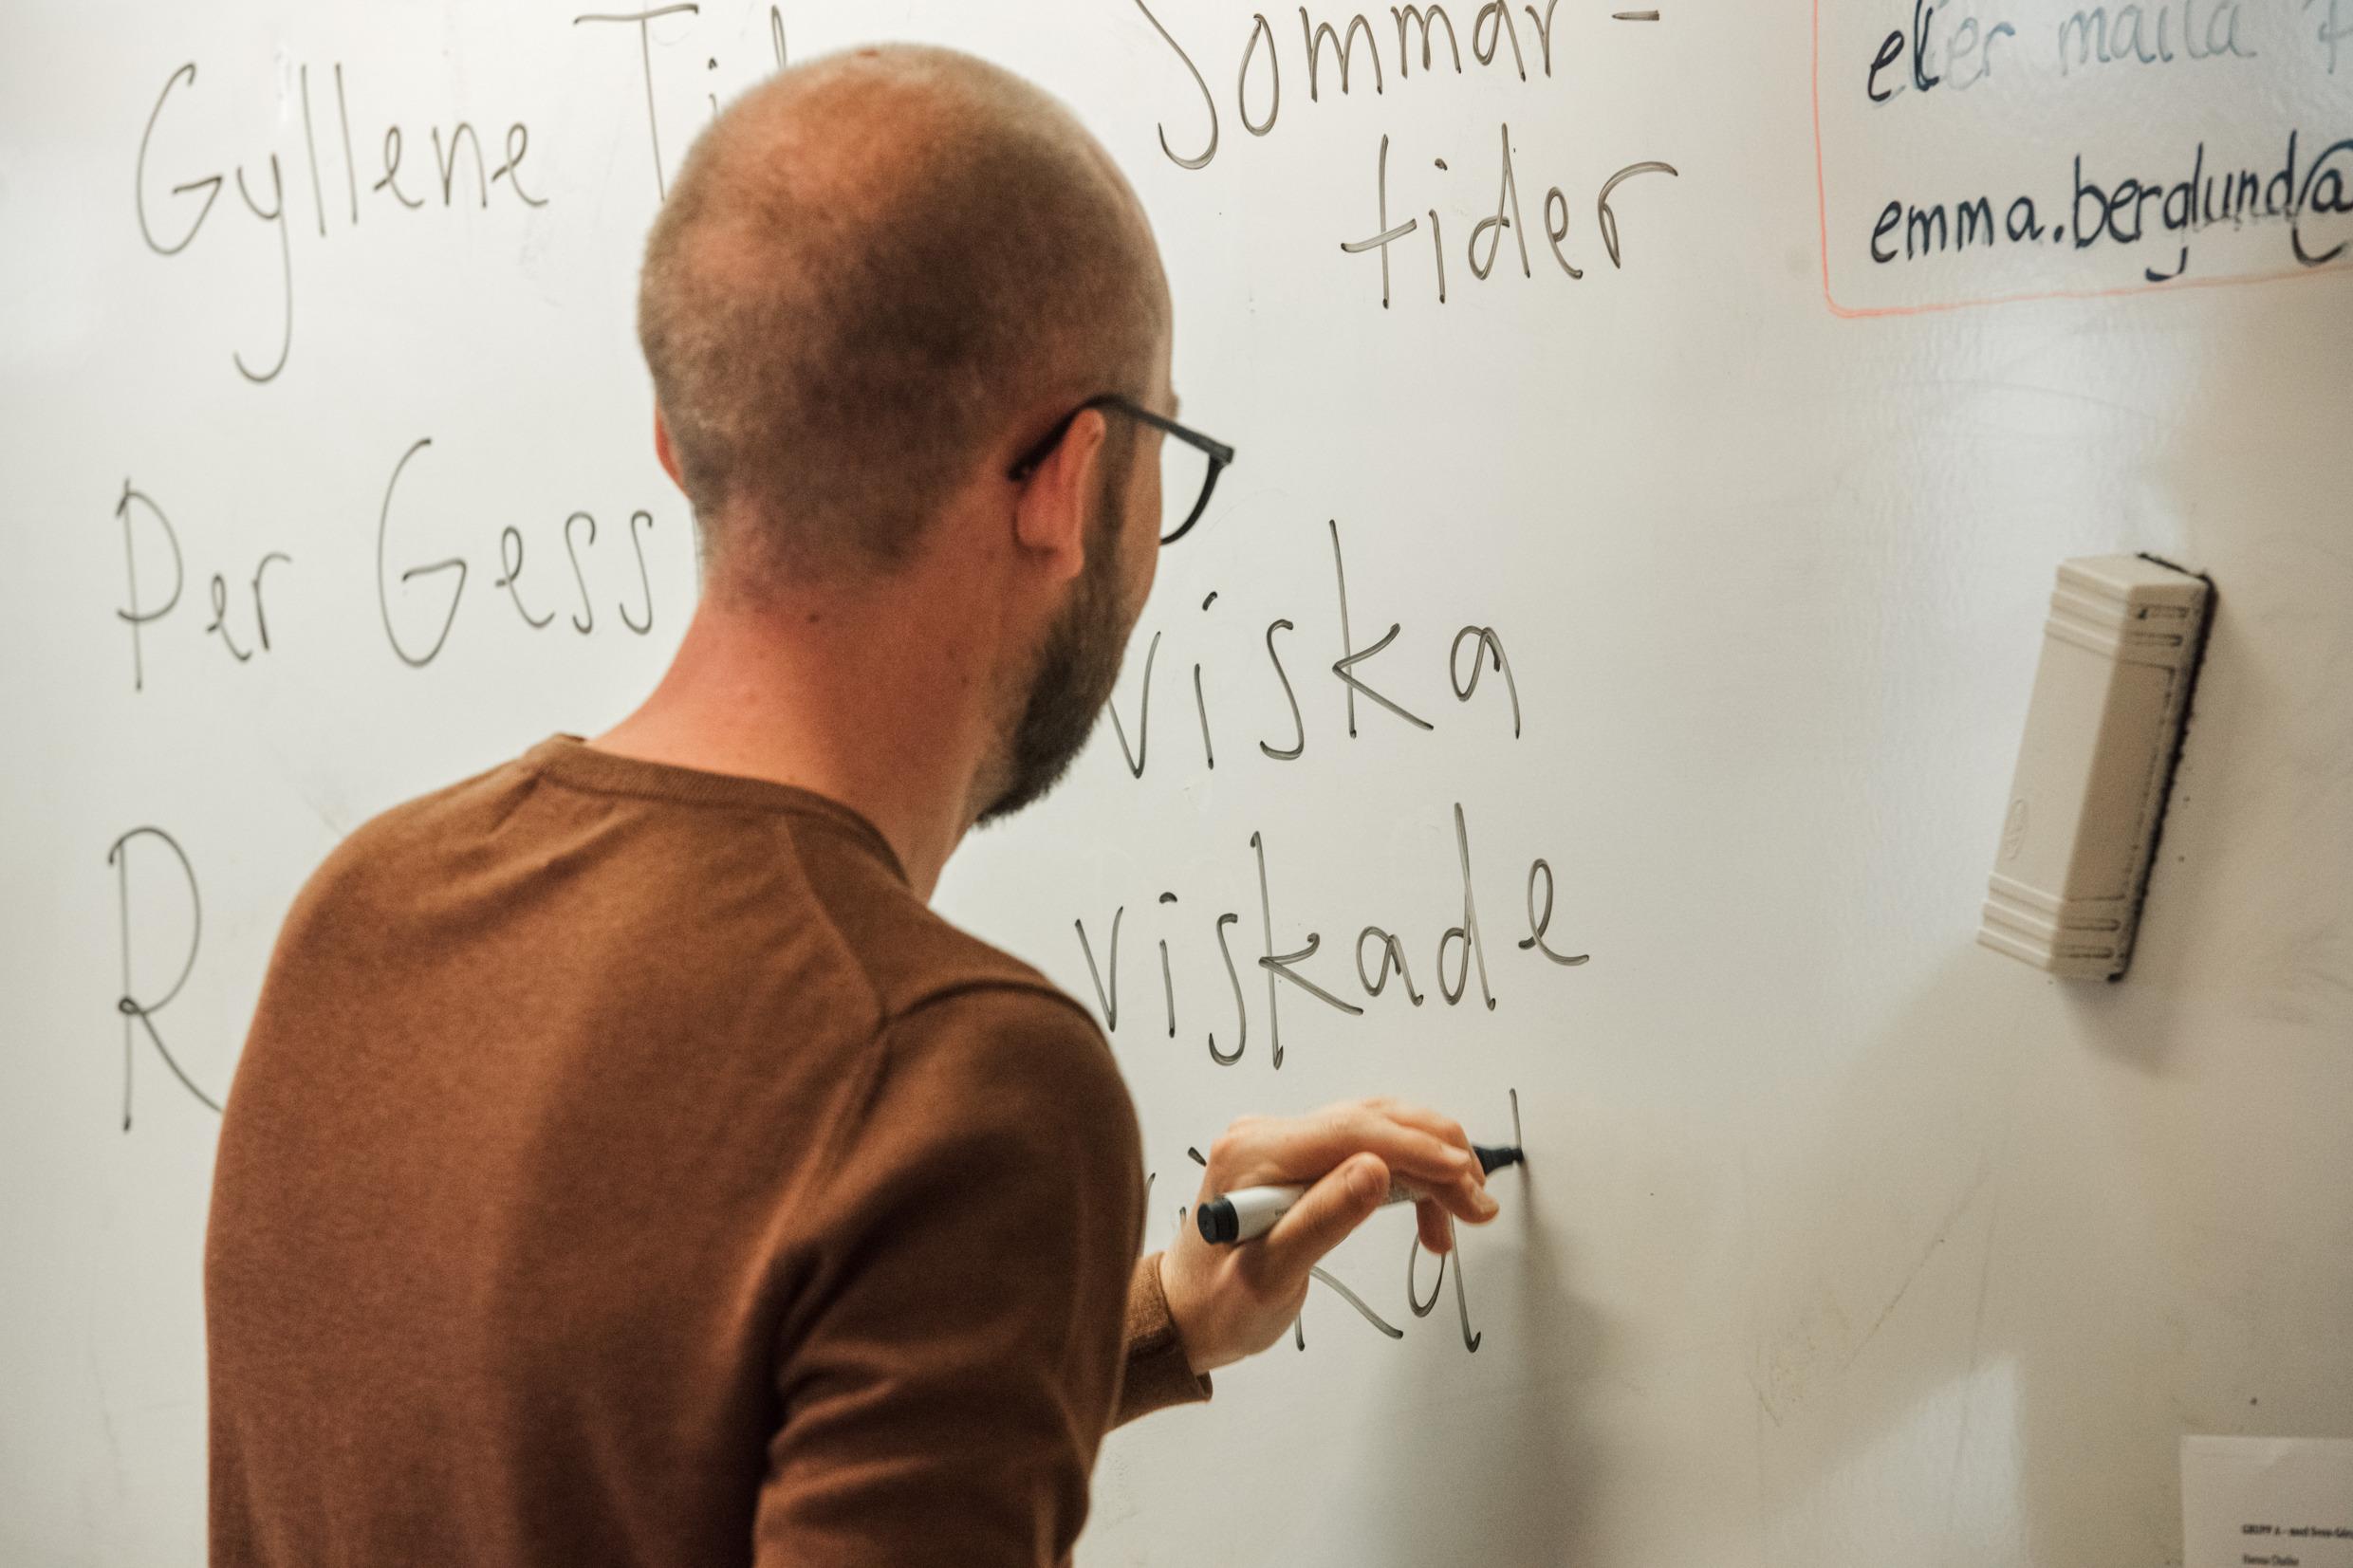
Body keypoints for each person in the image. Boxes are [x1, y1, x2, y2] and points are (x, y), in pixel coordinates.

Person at [205, 43, 1499, 1568]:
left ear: (683, 442)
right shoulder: (955, 1085)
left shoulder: (368, 911)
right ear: (1068, 479)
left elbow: (630, 1453)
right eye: (1160, 450)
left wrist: (1152, 1318)